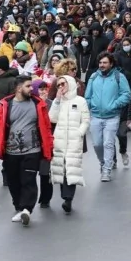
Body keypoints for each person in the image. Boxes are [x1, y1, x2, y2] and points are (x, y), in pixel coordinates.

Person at [0, 75, 54, 226]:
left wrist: (49, 148)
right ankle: (19, 207)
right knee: (13, 182)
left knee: (28, 180)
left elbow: (47, 128)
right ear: (18, 88)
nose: (32, 89)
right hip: (11, 152)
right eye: (28, 86)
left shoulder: (38, 104)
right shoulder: (5, 105)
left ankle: (26, 210)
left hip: (32, 150)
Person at [84, 51, 131, 182]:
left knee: (108, 143)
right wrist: (89, 107)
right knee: (97, 144)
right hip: (95, 116)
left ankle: (107, 170)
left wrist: (115, 105)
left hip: (112, 116)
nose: (102, 65)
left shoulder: (119, 77)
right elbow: (87, 96)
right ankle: (103, 163)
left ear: (111, 64)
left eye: (105, 62)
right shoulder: (94, 77)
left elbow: (126, 94)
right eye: (100, 62)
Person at [47, 75, 89, 214]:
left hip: (74, 140)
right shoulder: (58, 101)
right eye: (58, 85)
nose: (60, 87)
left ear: (69, 84)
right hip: (59, 140)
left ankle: (68, 199)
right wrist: (57, 101)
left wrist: (79, 133)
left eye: (63, 84)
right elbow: (52, 118)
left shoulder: (80, 101)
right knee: (61, 168)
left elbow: (85, 120)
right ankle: (65, 196)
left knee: (71, 169)